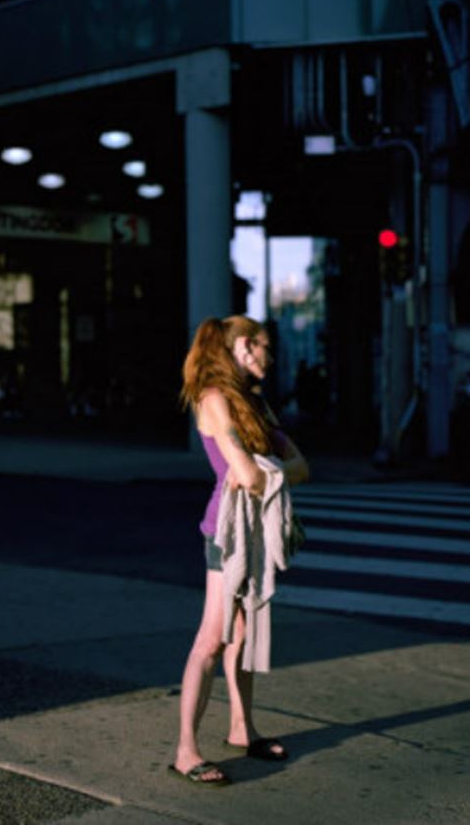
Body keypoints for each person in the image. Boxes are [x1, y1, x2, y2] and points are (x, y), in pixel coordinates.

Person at [172, 315, 309, 786]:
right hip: (226, 533)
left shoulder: (255, 404)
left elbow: (301, 466)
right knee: (212, 638)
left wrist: (262, 467)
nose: (272, 356)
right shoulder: (213, 400)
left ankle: (241, 729)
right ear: (246, 348)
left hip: (254, 531)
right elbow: (249, 476)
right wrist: (263, 468)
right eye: (267, 346)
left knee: (244, 636)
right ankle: (186, 750)